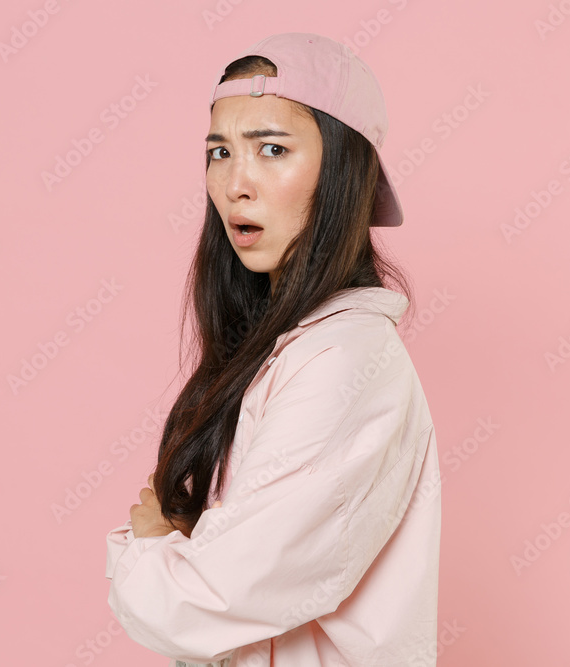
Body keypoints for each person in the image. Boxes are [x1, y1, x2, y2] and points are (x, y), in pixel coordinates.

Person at [104, 32, 441, 667]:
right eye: (219, 152)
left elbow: (217, 596)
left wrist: (147, 551)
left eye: (273, 149)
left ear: (344, 172)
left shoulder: (343, 361)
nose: (236, 183)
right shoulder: (288, 351)